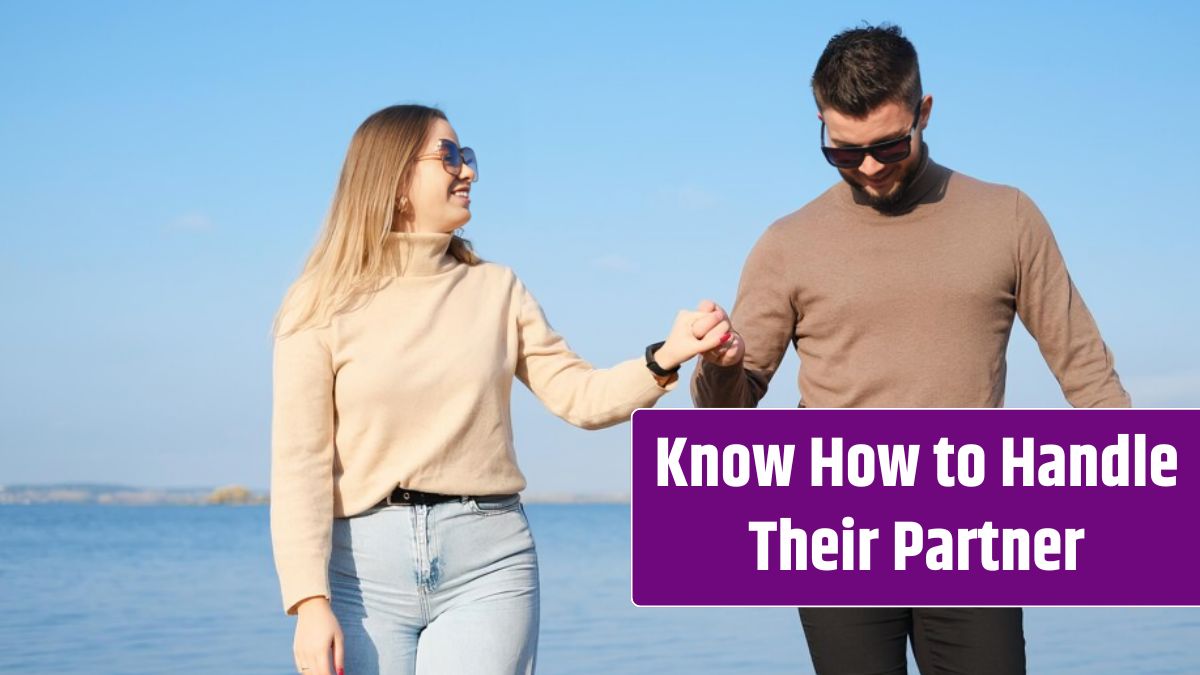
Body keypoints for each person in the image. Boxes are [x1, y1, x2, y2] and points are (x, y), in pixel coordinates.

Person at [691, 24, 1130, 675]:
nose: (868, 167)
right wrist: (719, 367)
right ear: (821, 123)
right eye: (843, 152)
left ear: (924, 112)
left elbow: (1087, 374)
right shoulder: (786, 243)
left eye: (889, 145)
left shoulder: (1008, 217)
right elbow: (725, 418)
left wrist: (1152, 492)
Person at [270, 104, 730, 675]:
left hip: (487, 562)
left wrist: (664, 357)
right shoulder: (318, 302)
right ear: (392, 178)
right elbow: (299, 465)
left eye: (467, 156)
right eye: (449, 156)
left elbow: (579, 397)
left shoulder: (497, 289)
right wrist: (308, 602)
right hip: (359, 573)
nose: (468, 171)